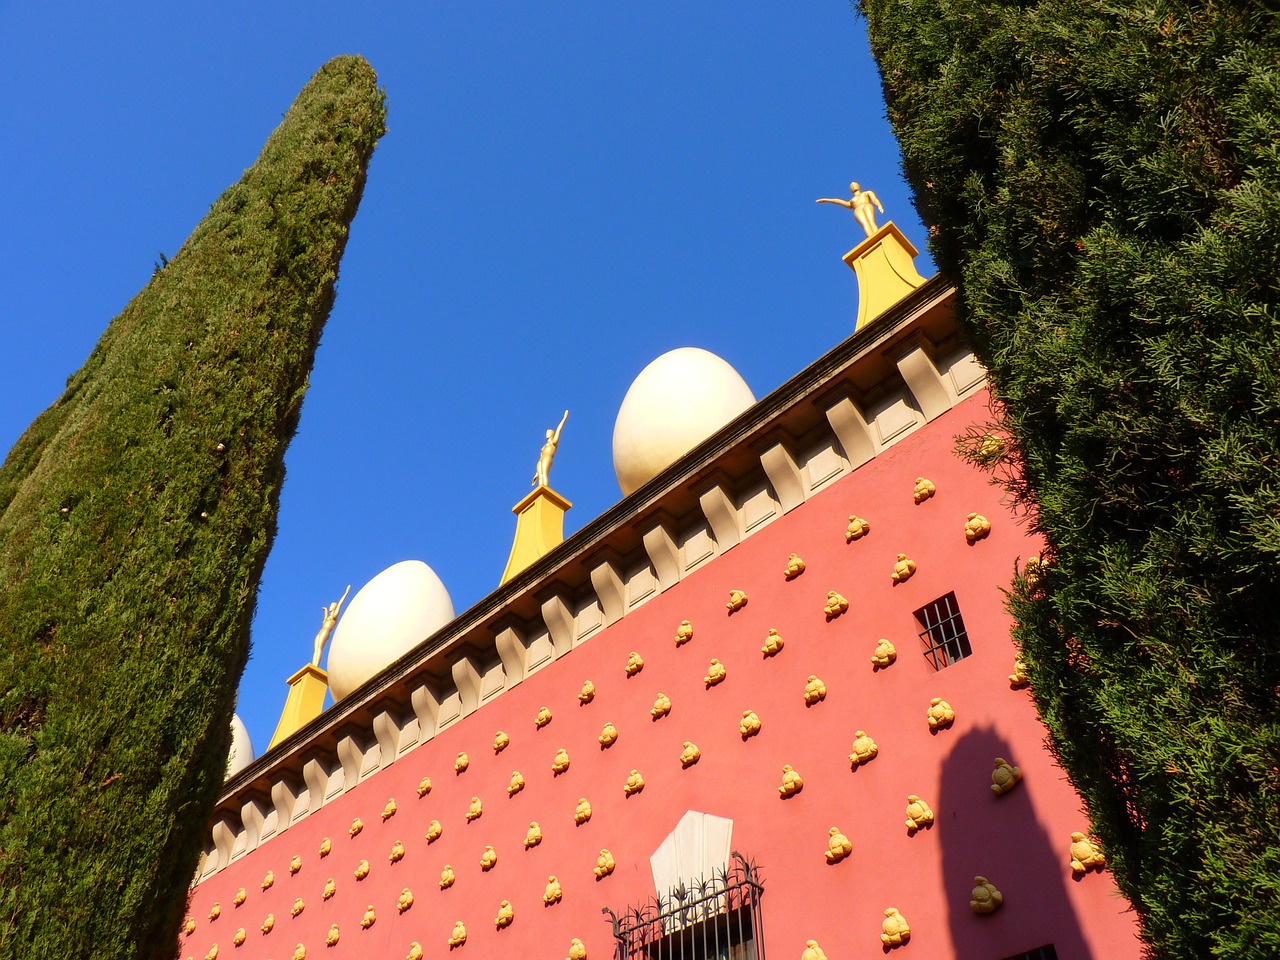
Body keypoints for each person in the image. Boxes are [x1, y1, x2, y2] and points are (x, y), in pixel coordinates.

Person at [816, 181, 885, 238]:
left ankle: (877, 235)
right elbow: (837, 201)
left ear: (859, 186)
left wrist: (879, 205)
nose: (853, 186)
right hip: (857, 210)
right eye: (851, 186)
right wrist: (826, 200)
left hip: (867, 205)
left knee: (871, 221)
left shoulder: (867, 192)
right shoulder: (851, 202)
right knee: (865, 224)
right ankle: (871, 237)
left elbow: (874, 199)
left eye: (855, 184)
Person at [312, 585, 351, 667]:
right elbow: (325, 618)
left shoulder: (334, 616)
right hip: (320, 632)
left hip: (325, 632)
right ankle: (313, 665)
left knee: (319, 649)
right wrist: (325, 610)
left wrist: (346, 593)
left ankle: (316, 666)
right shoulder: (328, 617)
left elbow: (340, 603)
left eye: (332, 605)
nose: (330, 606)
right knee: (315, 649)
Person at [533, 410, 569, 488]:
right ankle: (540, 489)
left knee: (545, 474)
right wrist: (536, 474)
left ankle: (545, 488)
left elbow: (559, 429)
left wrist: (564, 418)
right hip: (541, 460)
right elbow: (540, 456)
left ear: (552, 434)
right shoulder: (543, 446)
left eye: (548, 432)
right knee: (541, 476)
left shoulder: (553, 442)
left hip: (547, 457)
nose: (546, 434)